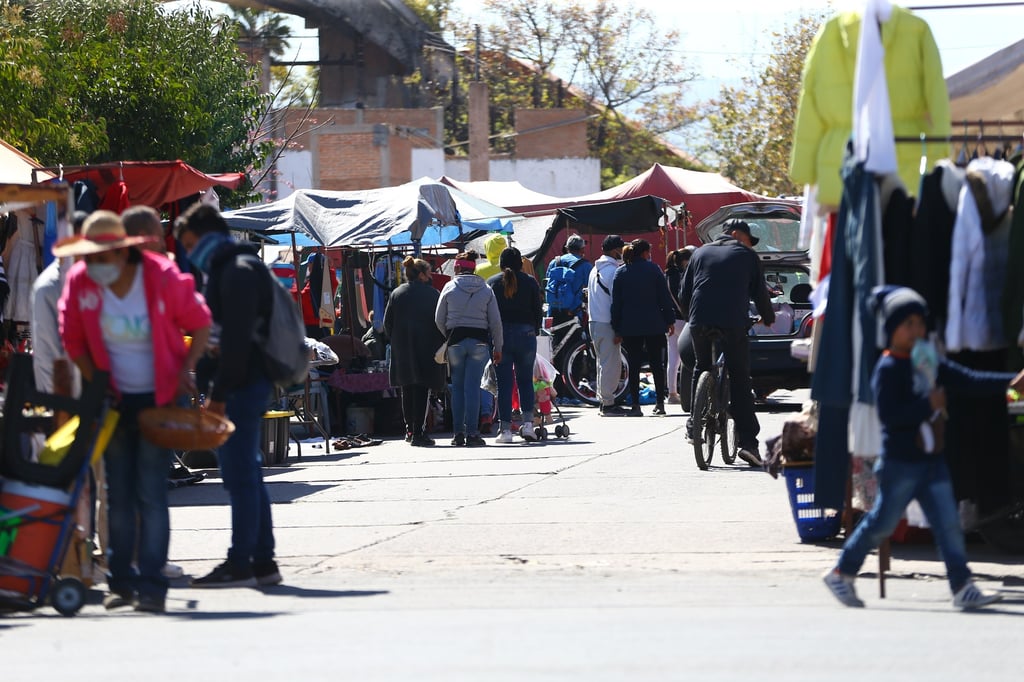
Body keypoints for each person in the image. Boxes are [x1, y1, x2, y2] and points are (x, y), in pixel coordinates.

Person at [823, 286, 1024, 610]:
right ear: (892, 328)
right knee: (881, 524)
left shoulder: (926, 359)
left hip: (931, 460)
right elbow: (891, 417)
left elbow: (966, 379)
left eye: (919, 323)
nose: (917, 330)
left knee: (947, 525)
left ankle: (962, 587)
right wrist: (926, 404)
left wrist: (1010, 383)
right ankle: (840, 572)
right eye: (909, 323)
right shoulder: (888, 369)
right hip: (901, 462)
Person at [56, 211, 211, 613]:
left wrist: (183, 371)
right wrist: (97, 382)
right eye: (89, 257)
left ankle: (153, 586)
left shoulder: (161, 275)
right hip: (114, 402)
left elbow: (201, 323)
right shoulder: (80, 282)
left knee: (151, 494)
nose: (93, 265)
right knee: (117, 494)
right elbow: (70, 338)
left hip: (161, 400)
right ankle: (121, 583)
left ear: (122, 252)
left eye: (100, 256)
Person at [174, 203, 282, 589]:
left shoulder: (235, 272)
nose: (188, 252)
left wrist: (217, 396)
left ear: (205, 237)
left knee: (238, 477)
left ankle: (241, 562)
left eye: (189, 243)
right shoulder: (232, 267)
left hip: (239, 386)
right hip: (242, 382)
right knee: (248, 475)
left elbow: (235, 342)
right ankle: (262, 562)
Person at [679, 219, 774, 466]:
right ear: (735, 234)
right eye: (747, 239)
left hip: (699, 319)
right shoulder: (747, 256)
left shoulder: (699, 252)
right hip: (733, 321)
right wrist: (768, 317)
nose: (748, 245)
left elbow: (684, 292)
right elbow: (760, 293)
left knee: (702, 366)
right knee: (740, 378)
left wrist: (691, 318)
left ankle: (693, 424)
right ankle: (748, 444)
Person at [435, 251, 503, 447]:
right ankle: (473, 434)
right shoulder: (486, 289)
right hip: (480, 343)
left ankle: (458, 434)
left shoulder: (449, 287)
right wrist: (498, 347)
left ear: (457, 268)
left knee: (457, 388)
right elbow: (496, 322)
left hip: (455, 342)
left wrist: (448, 335)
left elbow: (439, 318)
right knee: (473, 387)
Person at [383, 257, 447, 447]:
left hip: (402, 348)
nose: (430, 277)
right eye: (428, 273)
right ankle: (418, 432)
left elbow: (387, 324)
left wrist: (396, 339)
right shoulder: (433, 294)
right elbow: (441, 322)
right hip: (426, 348)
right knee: (421, 389)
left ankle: (410, 430)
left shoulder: (396, 293)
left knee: (407, 389)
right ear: (421, 275)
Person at [610, 239, 676, 417]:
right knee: (657, 364)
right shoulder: (653, 269)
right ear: (645, 253)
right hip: (654, 324)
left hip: (630, 326)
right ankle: (660, 403)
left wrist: (617, 328)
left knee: (634, 364)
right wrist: (670, 320)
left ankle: (636, 406)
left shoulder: (620, 272)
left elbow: (616, 304)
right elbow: (664, 298)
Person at [487, 246, 544, 443]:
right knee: (525, 381)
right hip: (526, 335)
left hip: (501, 337)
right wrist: (534, 330)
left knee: (504, 385)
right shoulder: (530, 282)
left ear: (501, 264)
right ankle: (528, 425)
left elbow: (488, 315)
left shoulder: (492, 284)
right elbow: (538, 310)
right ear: (521, 263)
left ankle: (505, 431)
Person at [587, 234, 627, 417]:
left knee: (602, 363)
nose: (622, 252)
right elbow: (616, 301)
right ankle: (608, 404)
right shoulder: (613, 272)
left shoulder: (594, 270)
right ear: (614, 250)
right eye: (621, 248)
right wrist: (619, 327)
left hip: (594, 321)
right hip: (607, 322)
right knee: (611, 364)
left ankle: (603, 401)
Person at [545, 234, 592, 353]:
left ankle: (556, 370)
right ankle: (575, 370)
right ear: (582, 249)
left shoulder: (554, 262)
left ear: (567, 248)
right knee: (574, 347)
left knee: (555, 347)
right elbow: (591, 289)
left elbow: (548, 284)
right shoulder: (585, 265)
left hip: (553, 311)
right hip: (573, 312)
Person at [663, 247, 695, 405]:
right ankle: (688, 392)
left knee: (673, 358)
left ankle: (672, 393)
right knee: (689, 355)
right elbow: (679, 298)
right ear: (684, 261)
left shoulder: (667, 274)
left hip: (670, 321)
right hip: (682, 320)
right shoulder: (679, 276)